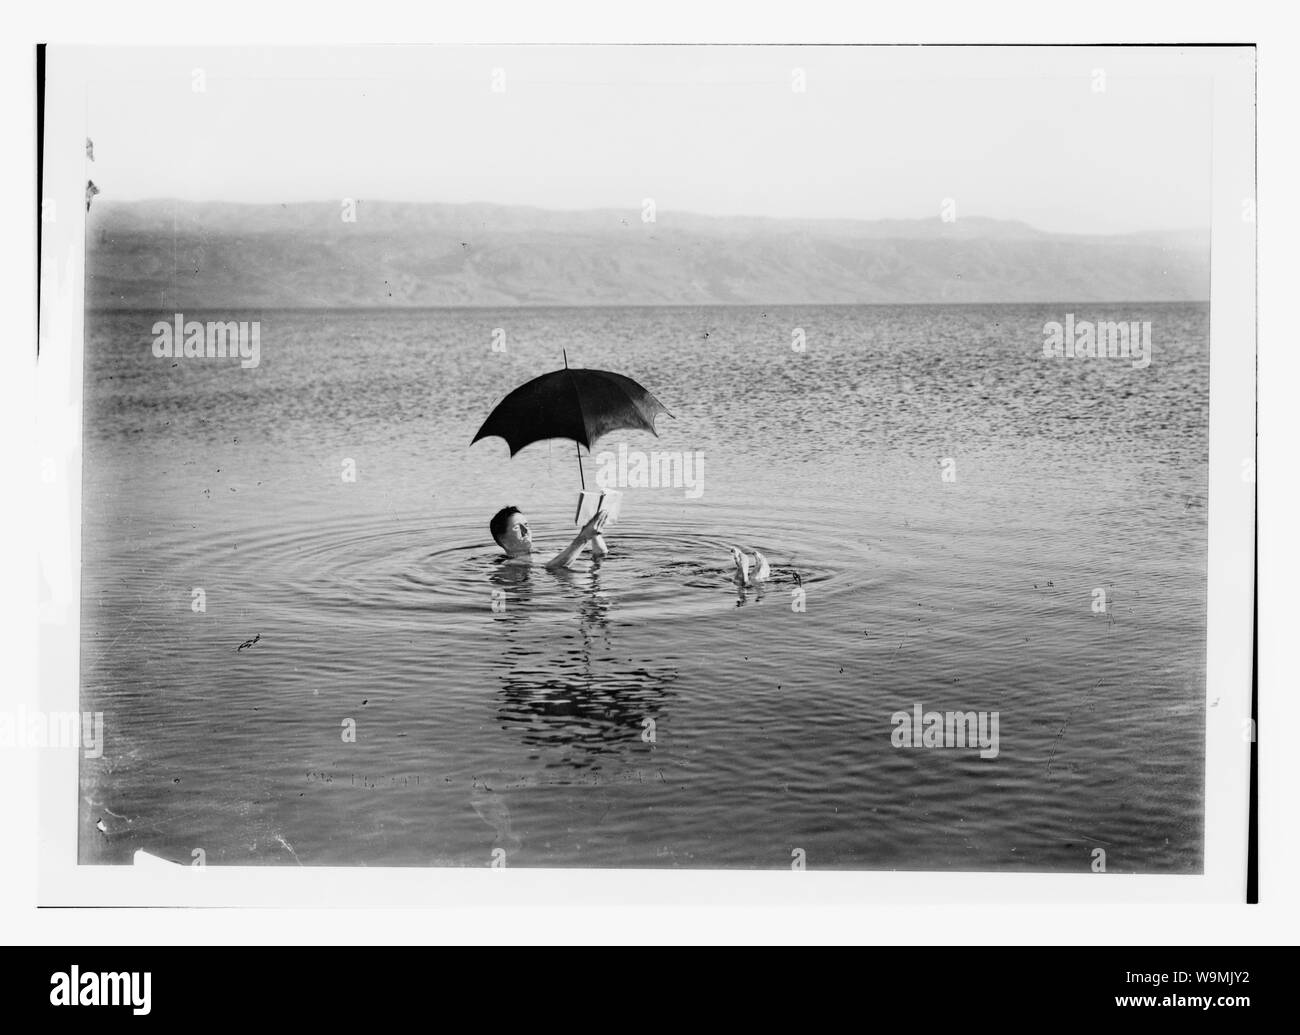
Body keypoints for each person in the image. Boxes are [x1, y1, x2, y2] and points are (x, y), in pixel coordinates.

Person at [490, 505, 609, 569]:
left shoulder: (545, 553)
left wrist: (594, 532)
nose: (525, 531)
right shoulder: (509, 564)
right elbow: (554, 567)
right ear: (503, 540)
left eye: (526, 525)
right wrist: (583, 537)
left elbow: (600, 555)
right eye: (517, 527)